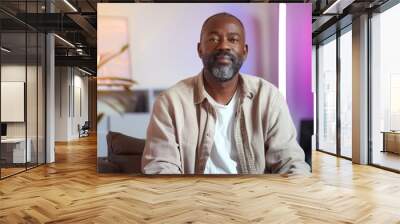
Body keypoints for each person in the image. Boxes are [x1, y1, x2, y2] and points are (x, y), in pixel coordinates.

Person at [141, 12, 311, 175]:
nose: (223, 45)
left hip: (255, 199)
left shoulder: (269, 97)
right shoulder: (170, 102)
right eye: (213, 39)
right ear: (200, 49)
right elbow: (160, 169)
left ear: (244, 51)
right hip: (192, 199)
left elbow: (291, 164)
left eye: (233, 39)